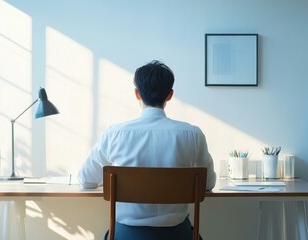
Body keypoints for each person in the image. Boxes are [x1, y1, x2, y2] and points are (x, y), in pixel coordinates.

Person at [77, 60, 216, 240]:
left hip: (125, 236)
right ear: (170, 95)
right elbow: (208, 184)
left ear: (137, 94)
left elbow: (86, 180)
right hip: (178, 235)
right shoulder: (193, 135)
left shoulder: (114, 134)